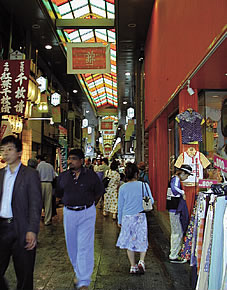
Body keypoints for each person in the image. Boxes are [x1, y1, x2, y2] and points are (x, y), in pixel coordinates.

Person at [56, 149, 104, 290]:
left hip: (86, 212)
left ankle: (83, 280)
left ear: (82, 161)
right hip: (69, 213)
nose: (70, 161)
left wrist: (90, 206)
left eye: (74, 159)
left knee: (85, 246)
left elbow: (98, 193)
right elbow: (59, 194)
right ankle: (78, 271)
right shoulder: (63, 176)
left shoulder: (91, 176)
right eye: (69, 158)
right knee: (72, 246)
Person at [0, 135, 42, 290]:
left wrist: (32, 230)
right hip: (2, 227)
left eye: (9, 149)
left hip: (22, 228)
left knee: (24, 274)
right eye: (2, 150)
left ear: (19, 152)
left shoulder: (30, 174)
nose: (5, 153)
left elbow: (35, 204)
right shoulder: (1, 174)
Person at [116, 162, 154, 274]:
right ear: (137, 174)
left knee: (129, 242)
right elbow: (151, 201)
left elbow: (120, 206)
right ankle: (141, 261)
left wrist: (119, 220)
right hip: (140, 216)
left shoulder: (123, 188)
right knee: (142, 239)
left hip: (127, 217)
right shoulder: (144, 185)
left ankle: (133, 266)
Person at [166, 164, 192, 264]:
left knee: (176, 232)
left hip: (173, 209)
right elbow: (174, 188)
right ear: (183, 173)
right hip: (175, 209)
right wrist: (182, 192)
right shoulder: (176, 179)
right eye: (187, 175)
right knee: (177, 232)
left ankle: (174, 253)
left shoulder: (174, 178)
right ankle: (174, 255)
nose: (187, 177)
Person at [36, 154, 56, 226]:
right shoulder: (50, 166)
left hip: (40, 184)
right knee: (48, 203)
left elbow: (36, 176)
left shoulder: (38, 166)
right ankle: (47, 220)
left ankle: (37, 219)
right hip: (49, 184)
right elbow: (54, 176)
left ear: (39, 160)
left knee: (39, 202)